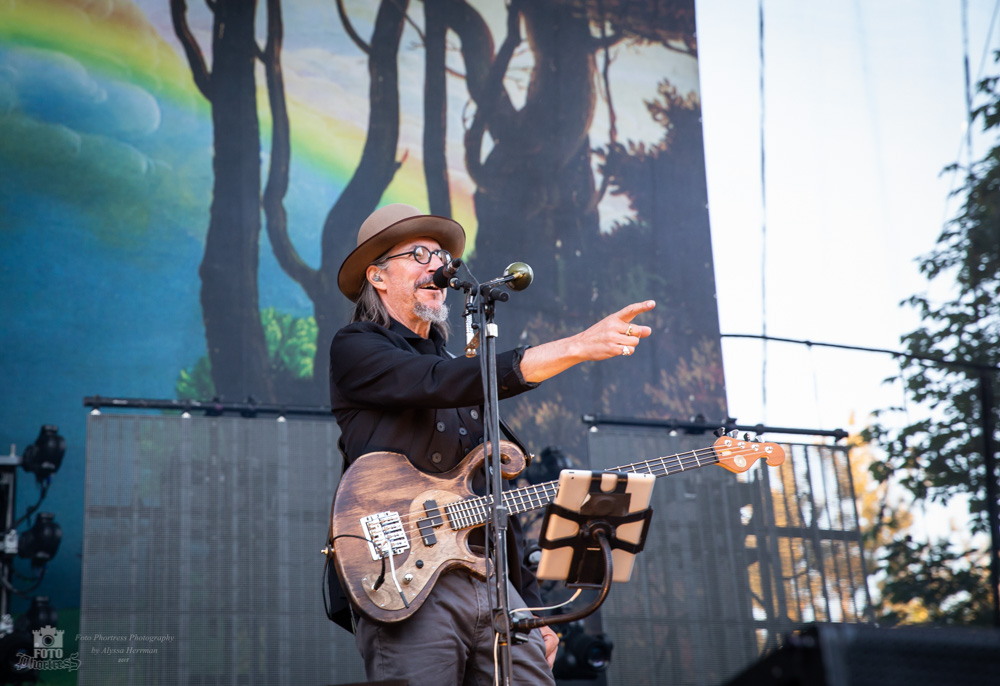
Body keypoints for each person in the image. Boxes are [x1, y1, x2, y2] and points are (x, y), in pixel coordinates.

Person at [327, 203, 654, 686]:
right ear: (377, 276)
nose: (437, 265)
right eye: (418, 254)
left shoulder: (459, 371)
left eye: (441, 256)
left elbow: (497, 501)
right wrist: (576, 346)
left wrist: (535, 610)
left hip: (496, 587)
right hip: (406, 577)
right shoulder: (357, 347)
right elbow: (436, 381)